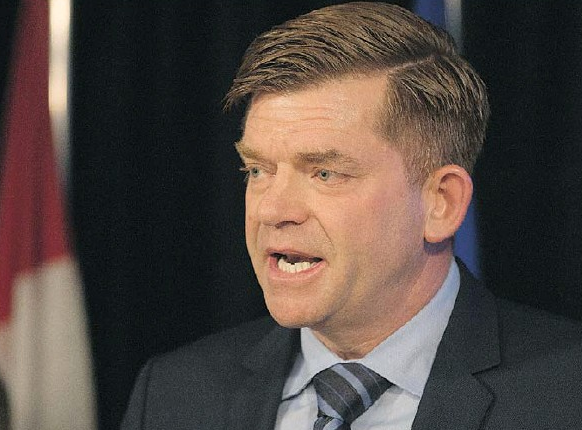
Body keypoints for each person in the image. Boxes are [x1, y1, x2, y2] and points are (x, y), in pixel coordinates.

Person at [121, 3, 581, 429]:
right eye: (258, 170)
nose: (272, 210)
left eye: (325, 173)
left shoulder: (565, 395)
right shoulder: (173, 395)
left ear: (441, 203)